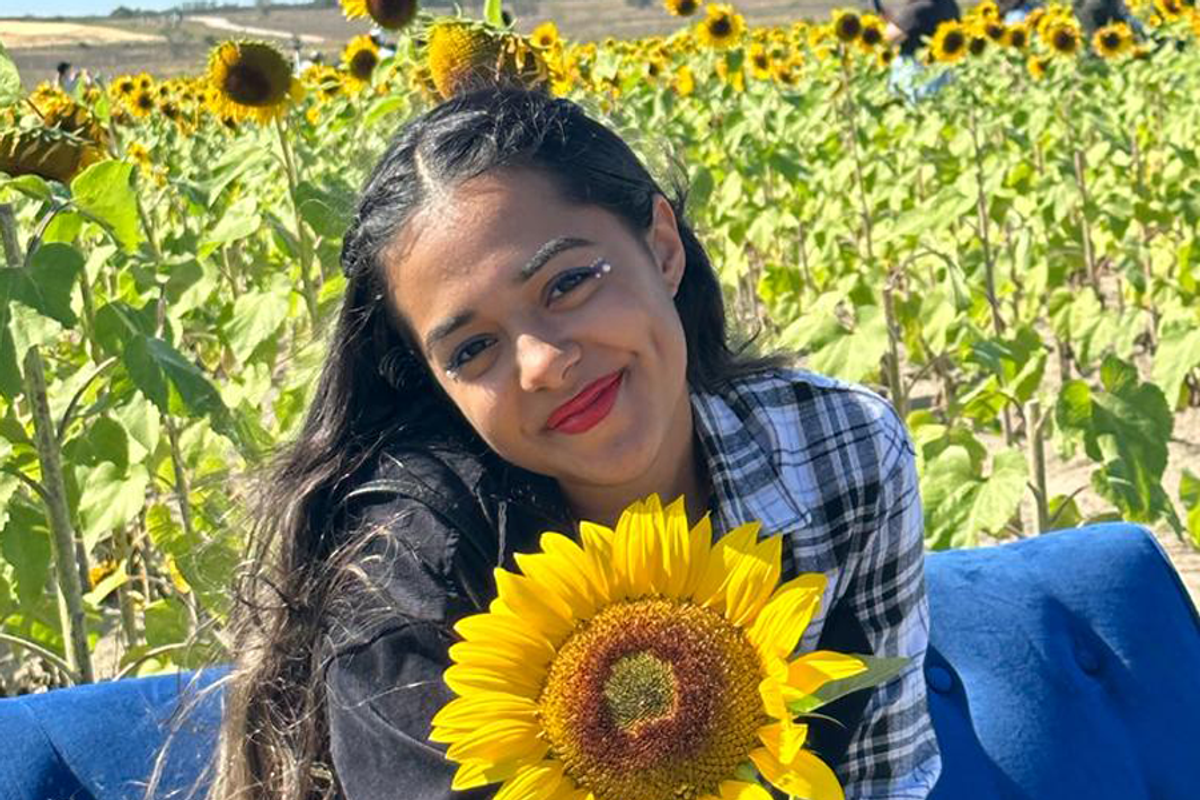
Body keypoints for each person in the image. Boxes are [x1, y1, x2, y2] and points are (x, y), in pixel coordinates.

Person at [207, 88, 942, 800]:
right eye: (473, 350)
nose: (541, 363)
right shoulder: (408, 579)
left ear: (661, 247)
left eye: (568, 284)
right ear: (441, 391)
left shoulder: (840, 449)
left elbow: (885, 769)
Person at [875, 0, 961, 103]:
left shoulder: (917, 9)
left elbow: (887, 39)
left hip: (915, 76)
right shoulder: (950, 4)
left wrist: (883, 22)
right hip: (941, 73)